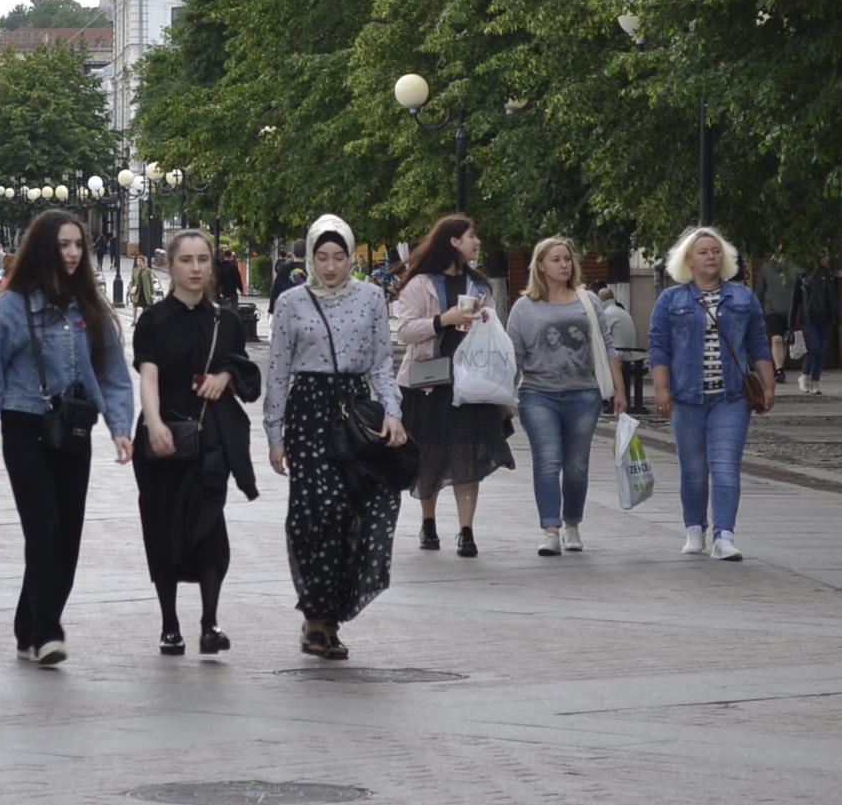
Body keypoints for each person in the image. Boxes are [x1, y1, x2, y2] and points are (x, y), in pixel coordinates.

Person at [0, 208, 136, 667]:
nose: (72, 253)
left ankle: (30, 626)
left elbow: (114, 373)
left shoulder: (89, 306)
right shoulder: (11, 305)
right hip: (24, 425)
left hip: (73, 428)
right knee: (42, 529)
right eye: (63, 244)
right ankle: (46, 631)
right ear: (44, 247)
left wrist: (120, 427)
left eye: (78, 245)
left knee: (67, 537)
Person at [267, 215, 405, 660]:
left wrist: (394, 412)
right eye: (322, 257)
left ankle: (333, 614)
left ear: (351, 257)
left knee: (357, 511)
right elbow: (278, 369)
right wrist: (274, 432)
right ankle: (314, 618)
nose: (330, 266)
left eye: (339, 257)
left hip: (354, 411)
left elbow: (382, 361)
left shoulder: (370, 298)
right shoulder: (291, 301)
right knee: (315, 513)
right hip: (308, 411)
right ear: (310, 256)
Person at [135, 229, 259, 656]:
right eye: (186, 260)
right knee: (163, 530)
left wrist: (224, 376)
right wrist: (153, 423)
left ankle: (210, 622)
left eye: (203, 259)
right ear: (169, 265)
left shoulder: (225, 321)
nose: (195, 268)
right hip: (162, 440)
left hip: (210, 442)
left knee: (210, 531)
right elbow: (148, 378)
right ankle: (170, 624)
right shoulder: (153, 320)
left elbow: (241, 372)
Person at [391, 215, 513, 557]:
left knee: (468, 453)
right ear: (453, 241)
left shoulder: (479, 285)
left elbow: (490, 327)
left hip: (472, 382)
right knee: (427, 454)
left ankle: (466, 531)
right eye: (471, 236)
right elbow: (405, 331)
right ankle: (428, 522)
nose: (477, 242)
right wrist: (444, 320)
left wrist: (484, 320)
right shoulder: (419, 284)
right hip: (429, 382)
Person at [650, 225, 774, 560]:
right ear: (688, 260)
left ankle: (724, 536)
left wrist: (768, 382)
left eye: (716, 251)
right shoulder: (670, 300)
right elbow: (659, 349)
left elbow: (758, 343)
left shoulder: (743, 297)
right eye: (703, 252)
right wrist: (661, 389)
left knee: (726, 466)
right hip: (686, 398)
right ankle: (694, 529)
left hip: (731, 398)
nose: (711, 257)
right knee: (692, 470)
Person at [509, 237, 625, 557]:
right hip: (536, 394)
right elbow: (514, 356)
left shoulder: (588, 300)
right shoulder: (524, 307)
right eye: (556, 259)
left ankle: (572, 523)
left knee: (576, 465)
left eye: (567, 259)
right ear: (541, 265)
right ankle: (550, 529)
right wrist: (504, 396)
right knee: (547, 461)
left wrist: (619, 390)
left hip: (582, 393)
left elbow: (606, 345)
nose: (563, 264)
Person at [796, 255, 841, 396]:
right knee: (813, 346)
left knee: (821, 350)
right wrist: (792, 320)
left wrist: (837, 317)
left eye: (828, 255)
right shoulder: (803, 276)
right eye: (823, 256)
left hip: (825, 317)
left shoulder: (829, 276)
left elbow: (834, 298)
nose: (827, 258)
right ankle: (804, 375)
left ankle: (815, 381)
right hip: (809, 318)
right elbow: (795, 299)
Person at [755, 254, 800, 385]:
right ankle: (779, 369)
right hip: (771, 310)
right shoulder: (766, 269)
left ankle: (780, 367)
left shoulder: (796, 269)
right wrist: (758, 308)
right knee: (777, 338)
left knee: (784, 340)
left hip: (789, 310)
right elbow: (760, 290)